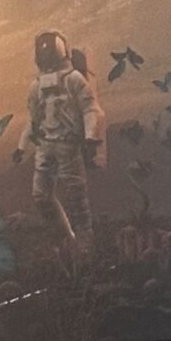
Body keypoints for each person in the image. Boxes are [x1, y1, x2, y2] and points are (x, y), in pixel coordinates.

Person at [25, 30, 104, 246]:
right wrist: (32, 136)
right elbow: (34, 116)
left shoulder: (74, 80)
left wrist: (90, 136)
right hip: (46, 144)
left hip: (68, 143)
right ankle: (66, 239)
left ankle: (85, 243)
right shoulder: (37, 86)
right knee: (41, 195)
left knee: (75, 194)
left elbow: (90, 108)